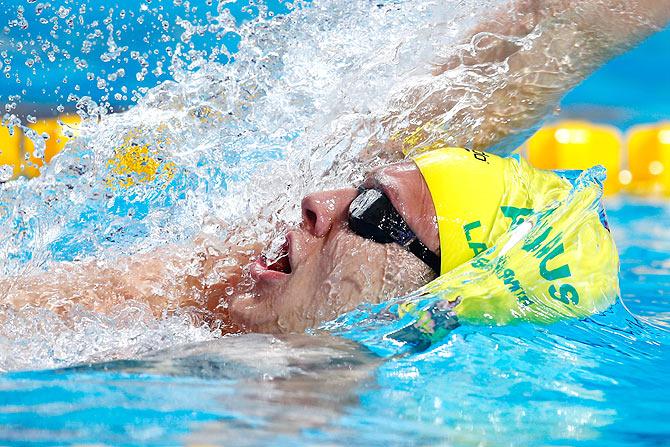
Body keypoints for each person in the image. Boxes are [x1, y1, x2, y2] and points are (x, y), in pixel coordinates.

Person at [2, 0, 669, 335]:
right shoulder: (216, 284)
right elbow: (552, 24)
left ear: (433, 306)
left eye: (370, 209)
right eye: (360, 184)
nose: (314, 200)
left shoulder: (309, 393)